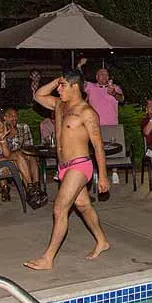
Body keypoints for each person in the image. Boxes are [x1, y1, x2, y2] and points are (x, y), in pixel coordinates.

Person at [24, 71, 111, 270]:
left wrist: (103, 176)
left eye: (63, 85)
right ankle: (102, 241)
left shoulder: (87, 112)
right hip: (64, 167)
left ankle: (48, 258)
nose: (58, 89)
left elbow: (98, 146)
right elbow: (38, 96)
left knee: (59, 208)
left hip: (80, 165)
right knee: (83, 206)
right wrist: (58, 79)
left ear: (75, 87)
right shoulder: (59, 105)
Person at [76, 58, 124, 183]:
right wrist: (79, 66)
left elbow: (121, 99)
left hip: (112, 125)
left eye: (106, 74)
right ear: (96, 77)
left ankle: (114, 172)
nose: (104, 76)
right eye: (101, 74)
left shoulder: (115, 87)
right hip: (95, 126)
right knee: (96, 150)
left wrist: (114, 93)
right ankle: (97, 173)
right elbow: (79, 81)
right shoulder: (91, 87)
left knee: (114, 151)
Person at [1, 106, 41, 190]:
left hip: (22, 154)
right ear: (5, 117)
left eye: (15, 116)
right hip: (7, 157)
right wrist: (10, 136)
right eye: (11, 116)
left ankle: (37, 186)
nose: (14, 118)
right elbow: (4, 152)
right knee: (19, 156)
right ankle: (29, 187)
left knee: (32, 156)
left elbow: (28, 146)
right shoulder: (1, 130)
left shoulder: (23, 127)